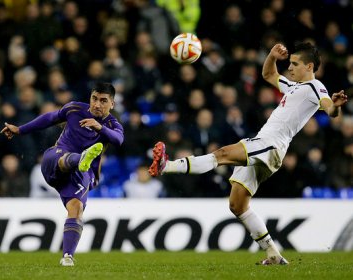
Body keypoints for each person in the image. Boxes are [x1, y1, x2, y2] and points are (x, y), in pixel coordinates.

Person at [149, 42, 348, 265]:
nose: (289, 68)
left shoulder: (315, 86)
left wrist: (336, 106)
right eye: (289, 63)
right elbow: (268, 74)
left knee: (222, 154)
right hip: (266, 147)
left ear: (309, 66)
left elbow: (329, 107)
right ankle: (273, 253)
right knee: (237, 205)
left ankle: (166, 166)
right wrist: (272, 56)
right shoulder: (292, 86)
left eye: (295, 64)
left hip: (271, 145)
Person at [0, 82, 124, 266]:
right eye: (94, 98)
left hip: (79, 175)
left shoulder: (112, 124)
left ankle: (67, 257)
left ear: (112, 104)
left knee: (76, 208)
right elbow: (49, 118)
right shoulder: (74, 108)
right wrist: (20, 129)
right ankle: (79, 159)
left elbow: (119, 139)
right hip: (54, 160)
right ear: (90, 97)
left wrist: (99, 127)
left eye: (103, 101)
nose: (97, 104)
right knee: (65, 158)